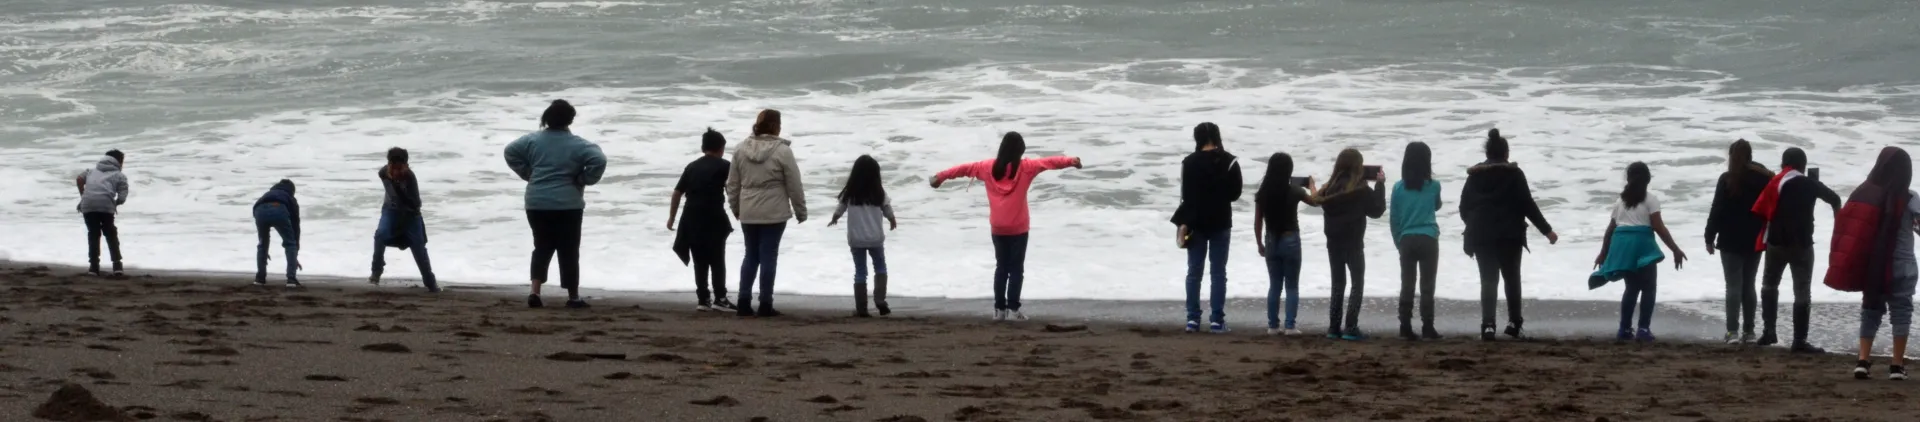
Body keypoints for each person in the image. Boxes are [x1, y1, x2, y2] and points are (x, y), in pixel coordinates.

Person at [930, 132, 1082, 322]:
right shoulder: (1026, 167)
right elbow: (1049, 162)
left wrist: (940, 176)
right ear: (1019, 153)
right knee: (1016, 269)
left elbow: (963, 169)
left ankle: (999, 310)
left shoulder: (986, 168)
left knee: (1001, 267)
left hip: (998, 227)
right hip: (1018, 227)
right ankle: (1013, 311)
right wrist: (1071, 161)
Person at [504, 99, 607, 309]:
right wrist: (584, 179)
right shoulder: (579, 144)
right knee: (569, 249)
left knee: (541, 246)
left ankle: (535, 292)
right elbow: (599, 160)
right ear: (570, 120)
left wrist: (528, 173)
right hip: (568, 203)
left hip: (536, 202)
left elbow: (509, 151)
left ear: (547, 118)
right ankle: (573, 296)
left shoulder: (532, 140)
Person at [1459, 129, 1559, 341]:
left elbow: (1463, 207)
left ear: (1487, 151)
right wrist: (1547, 231)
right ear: (1506, 152)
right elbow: (1527, 205)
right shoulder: (1514, 174)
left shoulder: (1475, 175)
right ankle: (1514, 324)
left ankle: (1488, 326)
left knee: (1488, 280)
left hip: (1481, 234)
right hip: (1510, 234)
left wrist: (1475, 224)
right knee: (1511, 279)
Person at [1750, 147, 1841, 352]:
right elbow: (1835, 199)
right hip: (1802, 245)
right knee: (1801, 291)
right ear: (1803, 165)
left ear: (1784, 164)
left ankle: (1769, 332)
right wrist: (1839, 224)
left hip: (1776, 243)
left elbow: (1762, 211)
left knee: (1769, 285)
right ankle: (1799, 340)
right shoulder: (1810, 184)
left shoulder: (1775, 183)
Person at [1589, 162, 1688, 343]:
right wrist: (1675, 249)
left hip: (1623, 245)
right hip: (1642, 244)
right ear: (1648, 180)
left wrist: (1603, 253)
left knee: (1631, 288)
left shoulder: (1620, 201)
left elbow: (1610, 229)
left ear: (1628, 179)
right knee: (1649, 287)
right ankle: (1643, 329)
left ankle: (1624, 329)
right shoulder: (1651, 199)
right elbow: (1658, 227)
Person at [1842, 147, 1915, 380]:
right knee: (1901, 311)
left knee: (1870, 309)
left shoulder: (1865, 193)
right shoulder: (1911, 198)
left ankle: (1862, 361)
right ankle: (1896, 366)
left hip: (1874, 263)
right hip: (1902, 264)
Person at [728, 109, 807, 317]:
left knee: (750, 255)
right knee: (768, 257)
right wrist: (801, 211)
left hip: (748, 210)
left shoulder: (740, 149)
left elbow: (732, 184)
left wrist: (736, 208)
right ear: (776, 126)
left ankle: (743, 301)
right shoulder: (783, 151)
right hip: (775, 212)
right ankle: (765, 303)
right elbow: (794, 184)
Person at [1171, 123, 1243, 333]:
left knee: (1194, 272)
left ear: (1198, 138)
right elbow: (1235, 194)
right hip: (1221, 220)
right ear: (1217, 136)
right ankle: (1216, 320)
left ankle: (1192, 320)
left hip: (1196, 221)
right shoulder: (1230, 161)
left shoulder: (1189, 162)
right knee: (1218, 272)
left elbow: (1186, 195)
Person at [1703, 139, 1773, 344]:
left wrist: (1709, 236)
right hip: (1754, 238)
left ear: (1731, 156)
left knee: (1733, 285)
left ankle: (1732, 332)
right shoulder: (1762, 178)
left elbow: (1717, 209)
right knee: (1749, 284)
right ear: (1750, 156)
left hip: (1729, 238)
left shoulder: (1727, 179)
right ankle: (1749, 332)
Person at [1315, 148, 1386, 340]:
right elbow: (1377, 210)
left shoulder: (1328, 189)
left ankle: (1333, 327)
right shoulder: (1361, 190)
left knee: (1337, 284)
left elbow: (1318, 201)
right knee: (1356, 283)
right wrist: (1380, 185)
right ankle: (1351, 326)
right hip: (1353, 242)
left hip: (1333, 242)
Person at [669, 129, 736, 312]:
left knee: (699, 259)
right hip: (713, 215)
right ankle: (720, 298)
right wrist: (738, 212)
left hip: (690, 217)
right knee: (717, 258)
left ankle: (703, 299)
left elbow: (677, 193)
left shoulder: (692, 166)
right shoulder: (725, 166)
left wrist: (671, 218)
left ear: (703, 147)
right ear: (721, 148)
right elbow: (732, 192)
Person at [1254, 152, 1320, 336]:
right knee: (1291, 285)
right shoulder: (1295, 191)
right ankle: (1290, 325)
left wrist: (1259, 243)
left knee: (1274, 285)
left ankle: (1273, 325)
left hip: (1271, 239)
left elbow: (1258, 220)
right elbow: (1316, 202)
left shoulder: (1263, 193)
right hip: (1290, 239)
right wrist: (1312, 186)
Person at [829, 155, 899, 318]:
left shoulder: (850, 193)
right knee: (880, 267)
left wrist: (835, 218)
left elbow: (840, 208)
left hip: (856, 239)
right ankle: (880, 301)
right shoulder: (878, 192)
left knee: (860, 271)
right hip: (875, 238)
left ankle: (861, 308)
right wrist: (892, 219)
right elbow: (887, 208)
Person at [1391, 142, 1442, 341]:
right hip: (1428, 237)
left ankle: (1405, 325)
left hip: (1406, 239)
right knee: (1427, 285)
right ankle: (1428, 327)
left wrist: (1398, 241)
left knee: (1407, 284)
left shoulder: (1398, 187)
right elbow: (1436, 205)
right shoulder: (1434, 186)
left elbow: (1394, 218)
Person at [371, 147, 440, 293]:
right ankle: (376, 270)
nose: (395, 172)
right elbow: (382, 174)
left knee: (419, 250)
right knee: (380, 234)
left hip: (411, 216)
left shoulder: (410, 177)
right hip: (390, 211)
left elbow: (416, 204)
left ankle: (431, 283)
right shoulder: (384, 173)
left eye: (399, 168)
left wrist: (398, 188)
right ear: (388, 164)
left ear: (406, 166)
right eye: (393, 167)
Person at [75, 150, 130, 276]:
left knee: (93, 234)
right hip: (106, 206)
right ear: (119, 162)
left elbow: (79, 179)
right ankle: (117, 266)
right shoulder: (119, 175)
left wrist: (83, 196)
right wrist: (115, 203)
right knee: (110, 234)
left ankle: (94, 268)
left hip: (88, 205)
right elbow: (122, 196)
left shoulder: (91, 171)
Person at [252, 179, 301, 287]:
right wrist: (295, 251)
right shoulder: (290, 197)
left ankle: (259, 279)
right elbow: (296, 226)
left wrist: (263, 245)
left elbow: (255, 207)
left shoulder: (268, 194)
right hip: (279, 208)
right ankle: (291, 280)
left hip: (259, 210)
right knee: (290, 243)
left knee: (262, 245)